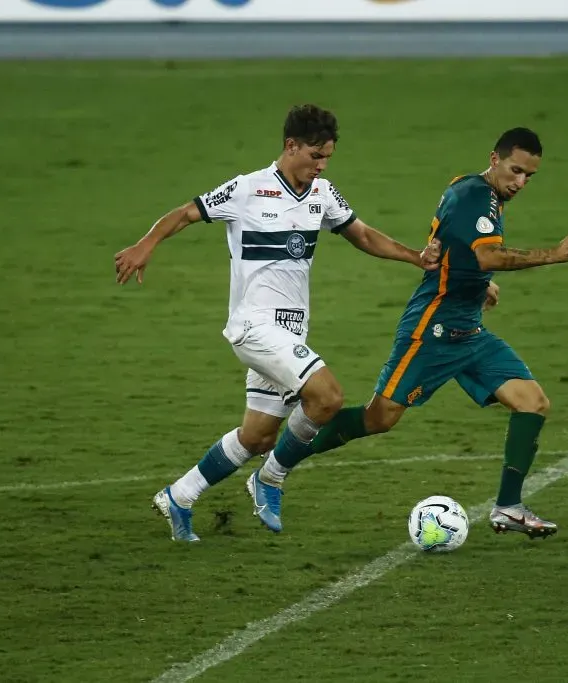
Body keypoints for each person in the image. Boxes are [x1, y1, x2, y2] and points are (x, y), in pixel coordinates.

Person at [114, 104, 441, 541]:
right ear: (291, 146)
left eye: (327, 158)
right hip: (255, 327)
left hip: (289, 332)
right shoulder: (248, 189)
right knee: (328, 398)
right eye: (315, 156)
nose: (321, 166)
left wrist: (415, 257)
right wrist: (146, 243)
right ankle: (270, 479)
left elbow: (362, 234)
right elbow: (186, 212)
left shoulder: (323, 193)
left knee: (257, 437)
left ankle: (179, 496)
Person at [254, 127, 568, 538]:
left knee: (532, 403)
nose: (520, 182)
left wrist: (478, 286)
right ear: (494, 159)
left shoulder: (475, 191)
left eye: (529, 176)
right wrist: (552, 255)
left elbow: (457, 247)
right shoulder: (474, 196)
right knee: (378, 418)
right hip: (433, 329)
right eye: (515, 171)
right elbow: (486, 256)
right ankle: (275, 467)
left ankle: (508, 507)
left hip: (469, 329)